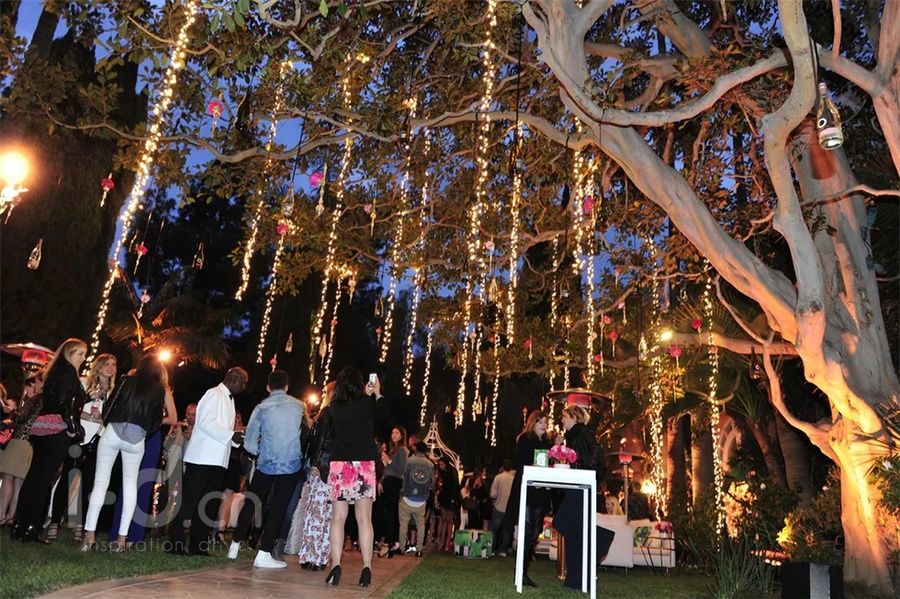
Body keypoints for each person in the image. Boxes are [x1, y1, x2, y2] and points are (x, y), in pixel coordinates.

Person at [81, 355, 168, 551]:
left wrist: (108, 424)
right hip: (137, 438)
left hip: (114, 431)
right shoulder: (159, 389)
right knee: (130, 486)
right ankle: (121, 539)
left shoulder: (126, 381)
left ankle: (89, 536)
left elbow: (111, 404)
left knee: (100, 483)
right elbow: (157, 421)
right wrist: (143, 434)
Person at [12, 338, 87, 543]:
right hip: (57, 429)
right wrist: (72, 426)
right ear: (69, 353)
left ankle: (20, 525)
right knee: (44, 480)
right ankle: (31, 527)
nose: (83, 358)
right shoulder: (69, 372)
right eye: (80, 353)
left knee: (34, 477)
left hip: (41, 426)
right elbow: (63, 401)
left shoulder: (54, 371)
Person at [228, 370, 304, 568]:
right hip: (290, 464)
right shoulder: (298, 406)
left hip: (266, 463)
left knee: (252, 501)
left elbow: (250, 441)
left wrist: (256, 451)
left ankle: (235, 543)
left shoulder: (261, 408)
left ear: (268, 387)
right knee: (278, 507)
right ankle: (264, 552)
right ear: (287, 386)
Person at [168, 367, 248, 555]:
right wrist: (230, 435)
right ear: (234, 379)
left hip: (218, 461)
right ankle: (175, 543)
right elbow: (205, 423)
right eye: (243, 383)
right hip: (201, 458)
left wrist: (236, 439)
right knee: (189, 502)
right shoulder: (214, 394)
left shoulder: (230, 399)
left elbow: (222, 430)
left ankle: (198, 545)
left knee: (208, 504)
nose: (244, 387)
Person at [325, 367, 386, 588]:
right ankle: (367, 567)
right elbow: (383, 413)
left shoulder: (335, 406)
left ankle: (336, 566)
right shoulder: (367, 403)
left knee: (338, 518)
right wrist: (376, 393)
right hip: (364, 462)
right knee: (364, 519)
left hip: (340, 463)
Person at [48, 354, 117, 542]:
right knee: (67, 478)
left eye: (113, 365)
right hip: (80, 437)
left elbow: (112, 419)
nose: (110, 367)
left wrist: (101, 417)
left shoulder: (114, 391)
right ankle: (55, 521)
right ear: (98, 366)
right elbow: (71, 407)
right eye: (107, 364)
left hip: (99, 440)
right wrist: (87, 404)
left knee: (89, 484)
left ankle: (81, 525)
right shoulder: (84, 383)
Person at [108, 374, 176, 545]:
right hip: (132, 434)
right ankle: (117, 532)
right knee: (127, 482)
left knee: (144, 485)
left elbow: (173, 418)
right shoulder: (135, 384)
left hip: (150, 437)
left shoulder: (163, 389)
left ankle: (134, 534)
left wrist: (152, 420)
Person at [553, 404, 612, 591]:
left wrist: (587, 472)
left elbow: (597, 451)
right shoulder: (573, 435)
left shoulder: (582, 432)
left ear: (574, 417)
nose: (562, 420)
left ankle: (602, 538)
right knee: (574, 529)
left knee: (563, 522)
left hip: (582, 484)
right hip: (579, 484)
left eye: (564, 416)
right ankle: (576, 579)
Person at [285, 382, 335, 569]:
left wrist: (314, 462)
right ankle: (321, 557)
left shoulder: (327, 413)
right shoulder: (344, 415)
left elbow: (319, 440)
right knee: (328, 514)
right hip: (335, 469)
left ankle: (311, 556)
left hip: (321, 467)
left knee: (316, 511)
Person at [501, 409, 551, 587]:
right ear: (533, 423)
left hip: (541, 492)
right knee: (528, 530)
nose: (544, 425)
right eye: (540, 422)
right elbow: (522, 463)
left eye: (545, 422)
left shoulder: (547, 442)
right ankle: (520, 572)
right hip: (528, 489)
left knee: (536, 531)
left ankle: (523, 570)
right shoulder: (525, 439)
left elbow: (547, 464)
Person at [0, 375, 44, 525]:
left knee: (8, 478)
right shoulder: (47, 400)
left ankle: (1, 513)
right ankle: (11, 516)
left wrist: (12, 412)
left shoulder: (36, 399)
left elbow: (21, 418)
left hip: (20, 440)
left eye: (35, 382)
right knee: (19, 481)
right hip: (31, 443)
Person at [397, 441, 434, 557]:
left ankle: (402, 548)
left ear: (416, 449)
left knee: (403, 524)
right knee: (421, 525)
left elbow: (404, 478)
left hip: (407, 497)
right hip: (421, 499)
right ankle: (419, 549)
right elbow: (432, 483)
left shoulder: (409, 461)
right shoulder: (430, 465)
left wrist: (402, 492)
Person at [376, 425, 407, 558]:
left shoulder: (402, 450)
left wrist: (388, 461)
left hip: (394, 482)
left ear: (402, 436)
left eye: (397, 433)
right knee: (387, 512)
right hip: (388, 481)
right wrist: (380, 481)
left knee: (389, 512)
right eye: (393, 432)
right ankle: (391, 542)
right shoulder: (393, 449)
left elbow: (401, 470)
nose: (394, 435)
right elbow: (388, 469)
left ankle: (389, 543)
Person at [489, 459, 515, 555]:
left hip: (498, 506)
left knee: (494, 529)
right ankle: (503, 550)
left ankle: (491, 549)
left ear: (503, 467)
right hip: (509, 509)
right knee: (506, 530)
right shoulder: (513, 479)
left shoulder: (498, 477)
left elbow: (493, 494)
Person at [435, 456, 461, 552]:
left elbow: (455, 486)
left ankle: (447, 542)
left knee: (449, 521)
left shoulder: (452, 472)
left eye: (442, 464)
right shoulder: (442, 473)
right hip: (443, 498)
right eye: (439, 465)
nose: (440, 466)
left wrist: (453, 499)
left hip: (451, 498)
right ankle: (442, 541)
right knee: (444, 520)